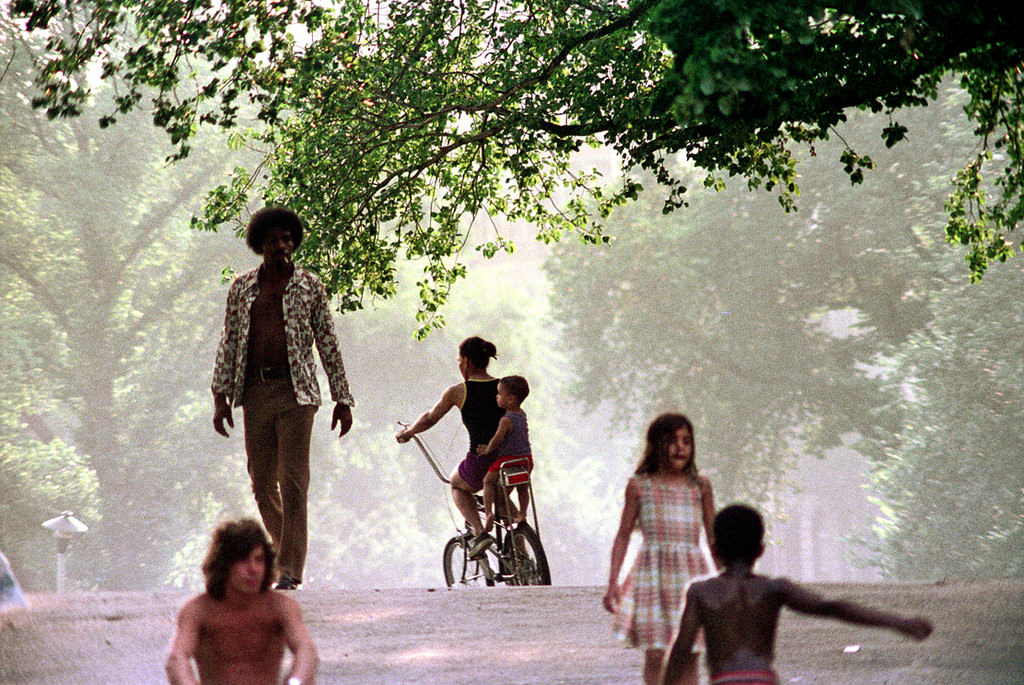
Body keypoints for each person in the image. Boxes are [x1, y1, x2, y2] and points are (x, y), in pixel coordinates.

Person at [211, 207, 355, 590]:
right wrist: (220, 396)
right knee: (261, 483)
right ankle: (281, 550)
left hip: (298, 394)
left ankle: (290, 569)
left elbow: (327, 341)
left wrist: (342, 397)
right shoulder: (241, 288)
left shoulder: (309, 285)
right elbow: (228, 342)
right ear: (260, 245)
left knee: (293, 483)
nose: (281, 246)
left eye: (287, 239)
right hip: (255, 392)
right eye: (274, 240)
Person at [661, 504, 933, 685]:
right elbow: (832, 607)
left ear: (714, 549)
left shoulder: (701, 593)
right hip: (763, 679)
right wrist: (897, 622)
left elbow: (681, 651)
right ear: (760, 550)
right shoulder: (773, 589)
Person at [603, 413, 716, 685]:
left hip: (692, 579)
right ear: (656, 445)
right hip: (650, 578)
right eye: (673, 440)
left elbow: (713, 537)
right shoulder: (640, 486)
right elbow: (623, 536)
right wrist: (613, 582)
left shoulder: (700, 486)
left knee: (690, 653)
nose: (680, 447)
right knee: (655, 653)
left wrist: (730, 577)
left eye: (686, 441)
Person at [165, 518, 318, 685]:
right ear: (224, 565)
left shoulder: (281, 606)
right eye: (244, 561)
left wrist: (295, 682)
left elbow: (306, 650)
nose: (253, 569)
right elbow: (176, 659)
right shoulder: (198, 610)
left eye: (259, 560)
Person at [395, 336, 504, 558]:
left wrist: (408, 433)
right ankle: (522, 551)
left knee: (456, 485)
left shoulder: (458, 391)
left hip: (482, 460)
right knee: (505, 507)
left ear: (466, 362)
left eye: (458, 360)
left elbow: (429, 418)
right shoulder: (504, 387)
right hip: (511, 459)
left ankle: (479, 531)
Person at [475, 375, 533, 539]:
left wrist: (487, 450)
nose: (497, 396)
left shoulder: (506, 420)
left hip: (507, 461)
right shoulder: (522, 414)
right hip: (526, 460)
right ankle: (522, 514)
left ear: (510, 399)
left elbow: (497, 439)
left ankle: (489, 513)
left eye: (499, 393)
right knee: (523, 487)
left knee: (488, 481)